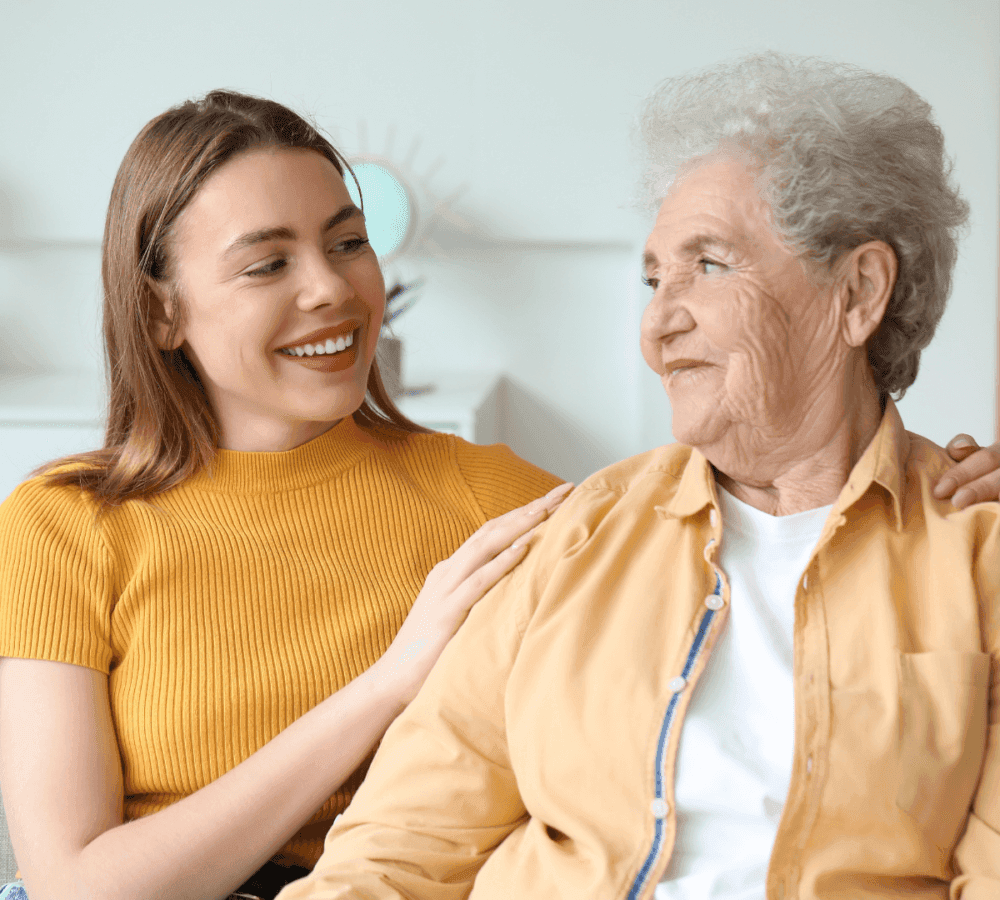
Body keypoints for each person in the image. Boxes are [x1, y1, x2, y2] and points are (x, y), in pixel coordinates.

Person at [272, 53, 1000, 900]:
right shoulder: (579, 536)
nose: (659, 324)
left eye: (711, 265)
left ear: (859, 291)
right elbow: (396, 849)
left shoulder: (976, 557)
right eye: (654, 278)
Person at [0, 91, 573, 900]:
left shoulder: (489, 498)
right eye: (269, 263)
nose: (331, 289)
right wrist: (388, 684)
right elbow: (77, 886)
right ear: (163, 312)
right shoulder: (62, 525)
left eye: (348, 243)